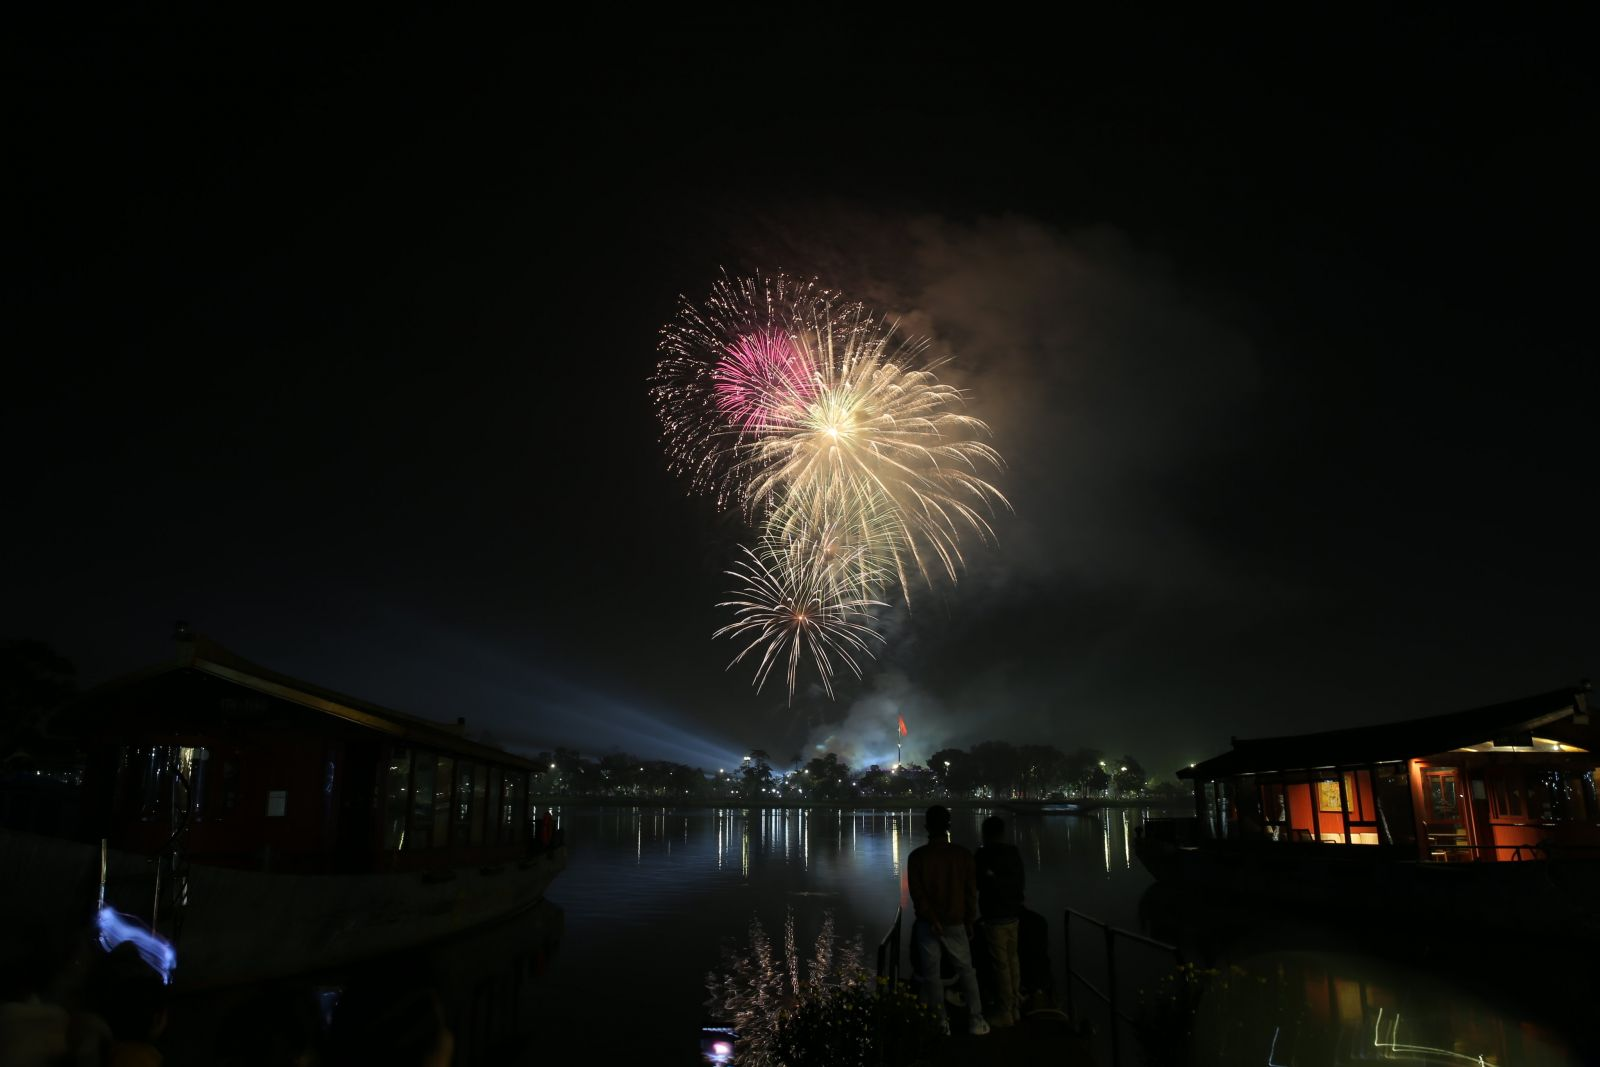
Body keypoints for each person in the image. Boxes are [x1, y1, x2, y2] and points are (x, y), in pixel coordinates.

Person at [907, 805, 989, 1036]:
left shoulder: (917, 857)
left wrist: (932, 918)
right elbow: (970, 892)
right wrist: (970, 920)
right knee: (966, 971)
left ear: (926, 827)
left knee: (931, 974)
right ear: (948, 826)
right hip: (956, 922)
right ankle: (976, 1019)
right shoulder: (962, 855)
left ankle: (941, 1021)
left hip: (928, 924)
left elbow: (917, 894)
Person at [975, 815, 1026, 1027]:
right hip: (1013, 913)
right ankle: (1015, 1007)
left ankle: (1005, 1012)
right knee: (1013, 961)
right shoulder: (1013, 852)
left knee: (1001, 965)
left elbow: (978, 883)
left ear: (985, 833)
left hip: (994, 915)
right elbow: (1020, 881)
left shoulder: (982, 854)